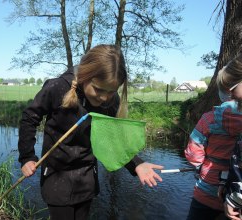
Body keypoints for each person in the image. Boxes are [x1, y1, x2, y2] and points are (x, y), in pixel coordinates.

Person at [18, 44, 164, 220]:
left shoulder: (111, 101)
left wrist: (137, 164)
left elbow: (113, 138)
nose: (104, 98)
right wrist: (27, 157)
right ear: (86, 75)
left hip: (86, 177)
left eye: (111, 91)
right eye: (98, 89)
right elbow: (29, 118)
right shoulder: (58, 87)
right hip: (56, 176)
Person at [185, 52, 242, 220]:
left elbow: (193, 152)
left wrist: (199, 165)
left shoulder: (209, 119)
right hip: (236, 198)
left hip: (207, 191)